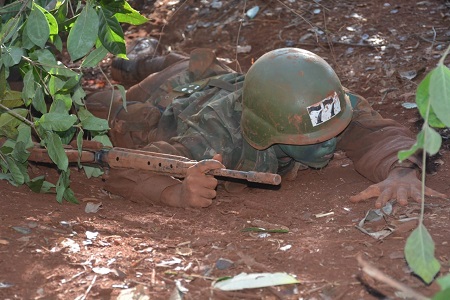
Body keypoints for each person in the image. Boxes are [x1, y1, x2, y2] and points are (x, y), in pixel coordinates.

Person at [85, 39, 447, 208]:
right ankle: (95, 71)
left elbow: (382, 135)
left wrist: (402, 172)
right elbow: (121, 168)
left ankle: (134, 61)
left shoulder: (323, 103)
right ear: (264, 133)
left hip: (215, 75)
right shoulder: (213, 140)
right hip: (168, 104)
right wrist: (173, 192)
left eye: (332, 131)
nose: (328, 142)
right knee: (105, 108)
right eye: (312, 137)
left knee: (191, 64)